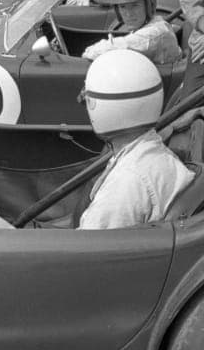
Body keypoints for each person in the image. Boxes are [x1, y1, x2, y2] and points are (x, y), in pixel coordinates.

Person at [77, 49, 195, 230]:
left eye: (87, 98)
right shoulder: (154, 153)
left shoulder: (125, 184)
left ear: (99, 107)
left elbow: (83, 251)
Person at [81, 0, 181, 65]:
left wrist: (87, 53)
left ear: (148, 5)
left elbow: (101, 50)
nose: (128, 14)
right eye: (123, 7)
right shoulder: (154, 24)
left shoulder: (153, 34)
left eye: (135, 5)